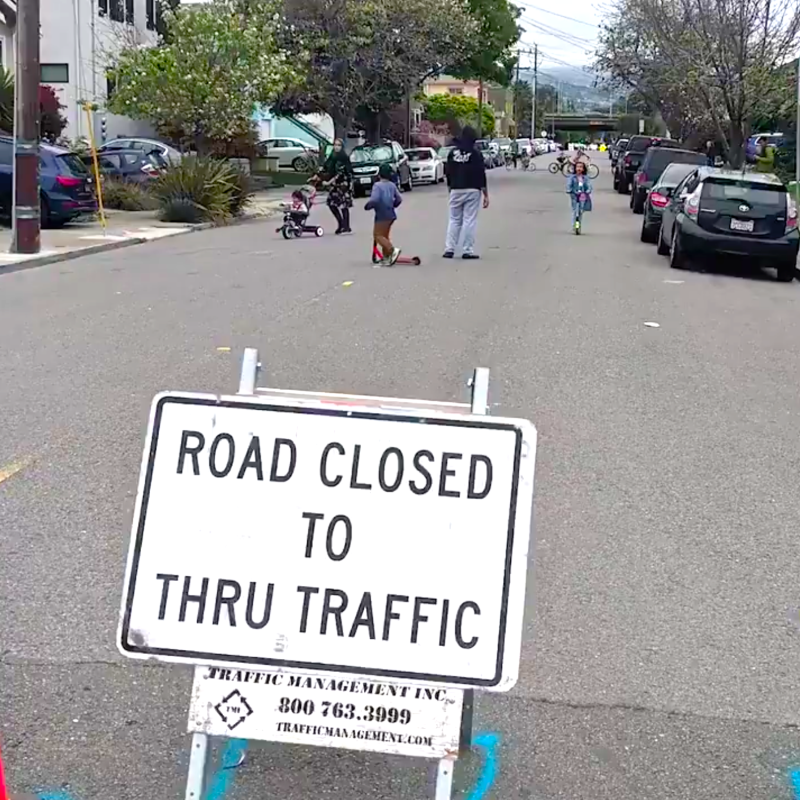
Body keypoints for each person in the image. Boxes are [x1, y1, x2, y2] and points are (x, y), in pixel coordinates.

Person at [444, 125, 489, 259]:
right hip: (473, 189)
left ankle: (449, 249)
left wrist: (450, 187)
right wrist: (485, 194)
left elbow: (448, 172)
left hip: (456, 189)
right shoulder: (476, 154)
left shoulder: (452, 153)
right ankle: (467, 250)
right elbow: (481, 174)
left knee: (454, 220)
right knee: (469, 220)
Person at [365, 163, 403, 265]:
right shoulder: (392, 185)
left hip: (381, 214)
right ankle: (386, 257)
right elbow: (399, 199)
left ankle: (392, 250)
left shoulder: (377, 186)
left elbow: (375, 199)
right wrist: (393, 205)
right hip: (391, 214)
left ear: (379, 174)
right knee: (384, 236)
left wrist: (368, 206)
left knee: (378, 235)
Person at [321, 138, 353, 234]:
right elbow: (325, 168)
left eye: (339, 145)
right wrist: (317, 176)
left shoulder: (343, 157)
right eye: (335, 145)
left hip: (343, 184)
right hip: (335, 184)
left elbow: (340, 173)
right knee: (331, 203)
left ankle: (346, 226)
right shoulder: (332, 156)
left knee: (343, 204)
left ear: (342, 147)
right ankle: (341, 224)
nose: (336, 147)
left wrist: (328, 182)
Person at [566, 160, 593, 234]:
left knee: (580, 211)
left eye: (581, 167)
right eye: (577, 167)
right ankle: (574, 226)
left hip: (582, 195)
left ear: (583, 169)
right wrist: (569, 190)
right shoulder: (572, 177)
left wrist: (588, 190)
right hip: (574, 195)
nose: (579, 168)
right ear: (575, 168)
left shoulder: (585, 178)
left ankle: (578, 226)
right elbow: (569, 184)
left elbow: (589, 185)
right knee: (575, 210)